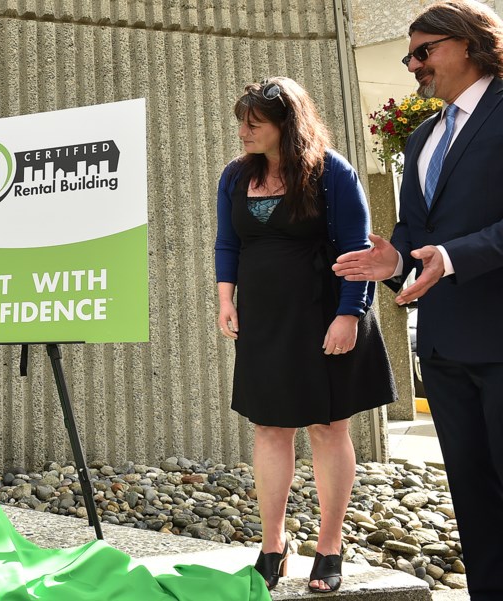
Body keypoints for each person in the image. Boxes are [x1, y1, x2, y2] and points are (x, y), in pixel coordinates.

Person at [333, 2, 503, 598]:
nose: (413, 65)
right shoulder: (424, 134)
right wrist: (394, 261)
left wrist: (454, 257)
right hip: (443, 345)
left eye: (423, 51)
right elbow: (416, 236)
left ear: (468, 43)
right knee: (475, 504)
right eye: (408, 55)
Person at [215, 77, 396, 593]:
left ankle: (329, 546)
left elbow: (357, 251)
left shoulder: (331, 172)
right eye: (242, 122)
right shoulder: (235, 176)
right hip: (265, 322)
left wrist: (349, 316)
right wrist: (225, 299)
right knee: (270, 428)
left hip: (324, 316)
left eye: (256, 123)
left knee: (327, 428)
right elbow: (228, 243)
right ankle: (273, 546)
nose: (244, 131)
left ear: (285, 125)